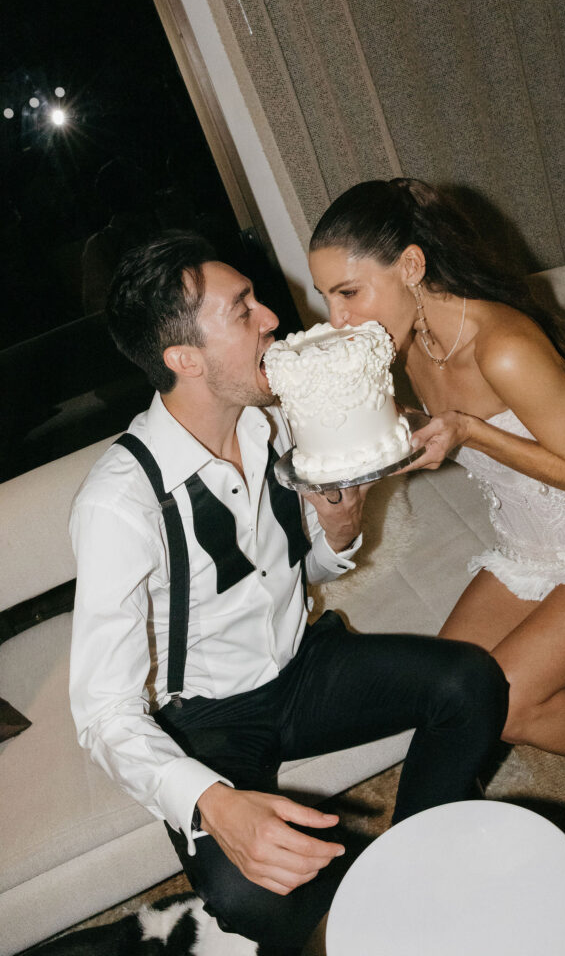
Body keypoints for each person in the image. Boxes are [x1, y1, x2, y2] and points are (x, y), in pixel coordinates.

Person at [69, 231, 508, 955]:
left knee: (469, 681)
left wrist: (336, 531)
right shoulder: (121, 502)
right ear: (184, 359)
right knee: (248, 898)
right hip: (209, 720)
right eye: (243, 311)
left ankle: (419, 867)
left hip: (303, 667)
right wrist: (214, 803)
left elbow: (300, 569)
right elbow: (102, 713)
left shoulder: (273, 422)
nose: (273, 317)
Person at [308, 177, 565, 891]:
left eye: (348, 292)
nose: (336, 316)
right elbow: (416, 437)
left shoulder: (503, 344)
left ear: (412, 267)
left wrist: (470, 430)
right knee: (450, 693)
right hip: (528, 551)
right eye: (327, 296)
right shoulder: (405, 343)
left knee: (504, 704)